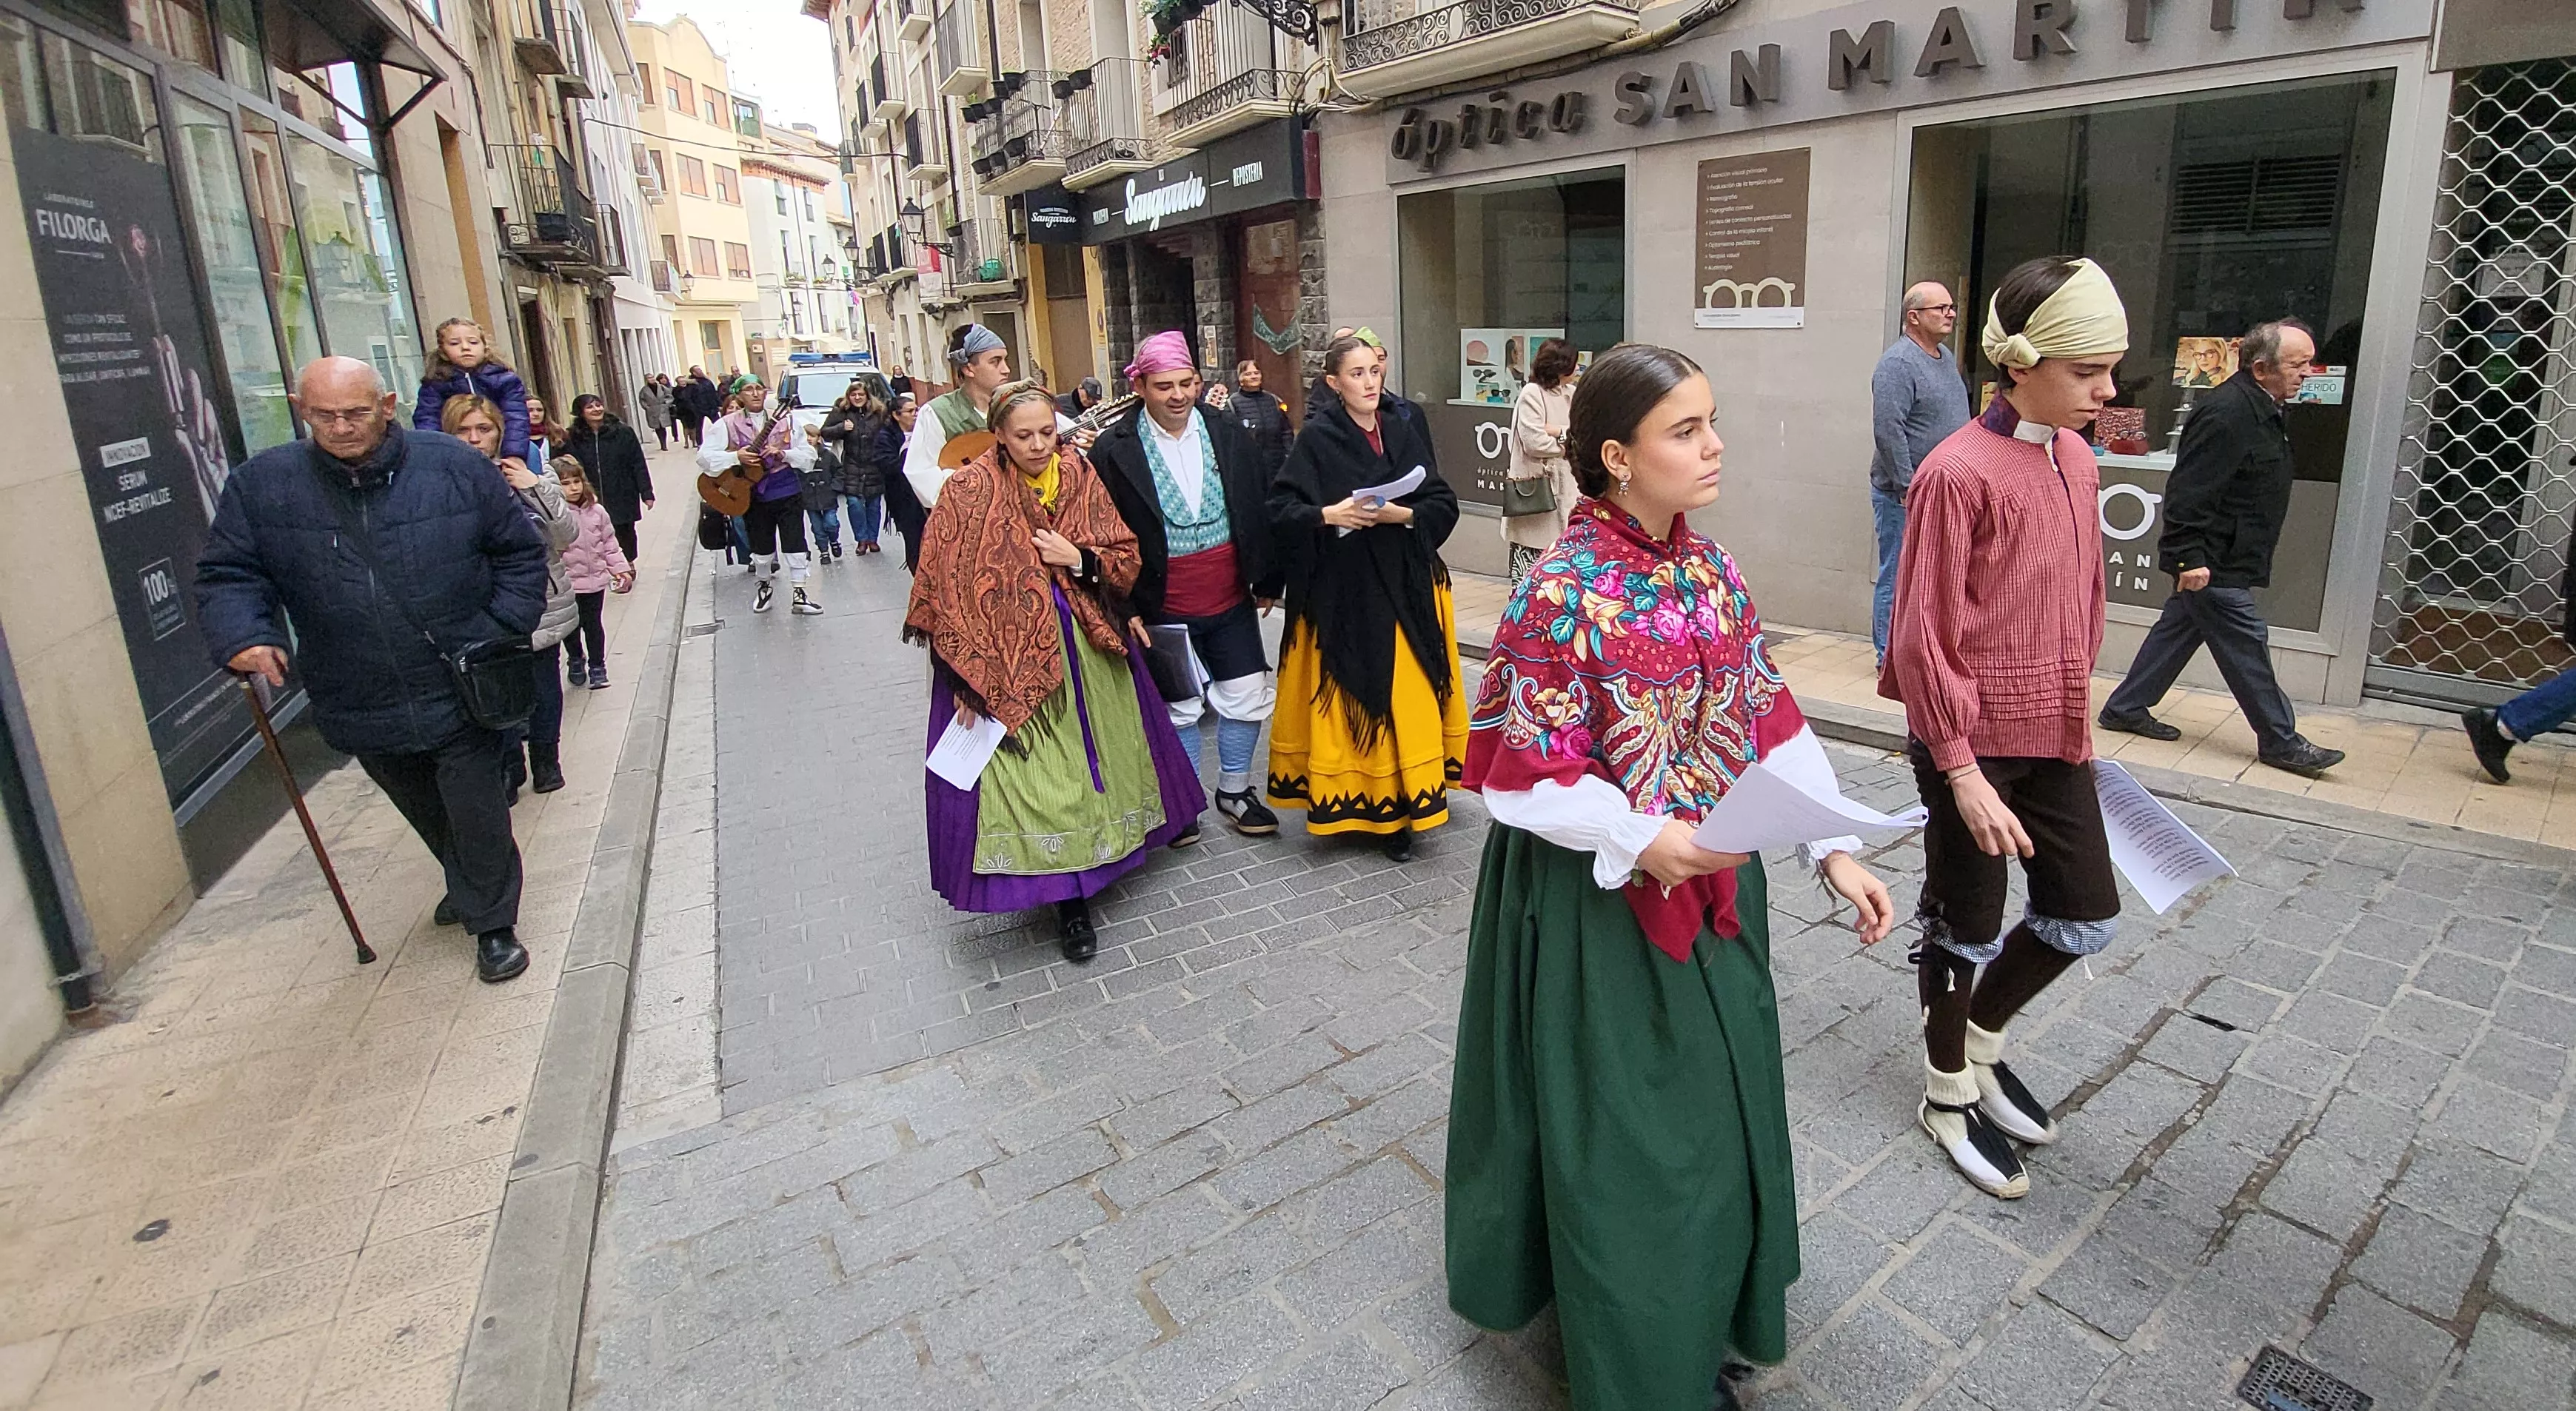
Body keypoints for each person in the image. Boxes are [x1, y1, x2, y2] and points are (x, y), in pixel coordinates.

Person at [1449, 343, 1896, 1411]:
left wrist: (1828, 844)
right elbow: (1516, 769)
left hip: (1716, 885)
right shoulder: (1557, 590)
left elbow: (1764, 716)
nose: (1713, 444)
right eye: (1684, 429)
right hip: (1595, 902)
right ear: (1615, 456)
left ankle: (1710, 1308)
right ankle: (1643, 1357)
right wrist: (1633, 836)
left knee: (1719, 1112)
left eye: (1710, 421)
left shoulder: (1712, 569)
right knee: (1630, 1139)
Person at [1883, 255, 2134, 1201]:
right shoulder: (1954, 473)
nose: (2106, 391)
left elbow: (2083, 601)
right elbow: (1919, 636)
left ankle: (1978, 1041)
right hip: (1970, 746)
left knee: (2083, 913)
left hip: (2054, 732)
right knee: (1964, 919)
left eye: (2112, 368)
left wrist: (2078, 709)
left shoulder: (2077, 454)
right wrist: (1959, 770)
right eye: (2086, 371)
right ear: (2018, 363)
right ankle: (1945, 1093)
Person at [196, 357, 546, 983]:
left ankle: (493, 924)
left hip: (460, 676)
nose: (341, 427)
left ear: (387, 404)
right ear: (300, 411)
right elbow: (230, 574)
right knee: (422, 803)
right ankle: (468, 880)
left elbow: (519, 554)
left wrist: (499, 630)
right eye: (324, 415)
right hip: (354, 686)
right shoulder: (262, 485)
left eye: (356, 412)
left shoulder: (453, 466)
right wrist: (246, 636)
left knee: (476, 808)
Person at [903, 381, 1204, 961]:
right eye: (1023, 436)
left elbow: (1123, 554)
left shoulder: (1079, 475)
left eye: (1047, 431)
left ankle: (1107, 855)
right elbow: (939, 585)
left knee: (1102, 763)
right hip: (1006, 664)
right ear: (996, 435)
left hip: (1088, 649)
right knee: (1044, 780)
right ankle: (1069, 900)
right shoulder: (965, 491)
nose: (1040, 445)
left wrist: (1079, 559)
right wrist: (963, 678)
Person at [2098, 320, 2344, 777]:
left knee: (2180, 628)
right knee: (2246, 644)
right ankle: (2281, 741)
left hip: (2229, 553)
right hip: (2215, 558)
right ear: (2261, 367)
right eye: (2299, 364)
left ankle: (2126, 708)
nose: (2308, 373)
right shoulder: (2227, 413)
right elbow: (2190, 492)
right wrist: (2190, 557)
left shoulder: (2265, 407)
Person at [1268, 335, 1466, 862]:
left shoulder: (1404, 425)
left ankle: (1408, 806)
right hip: (1345, 589)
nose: (1369, 382)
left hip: (1404, 580)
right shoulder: (1316, 438)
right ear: (1334, 384)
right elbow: (1281, 511)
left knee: (1408, 693)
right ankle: (1366, 804)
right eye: (1355, 374)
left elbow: (1440, 499)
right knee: (1360, 695)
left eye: (1373, 371)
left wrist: (1400, 515)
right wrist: (1328, 515)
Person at [1090, 331, 1285, 842]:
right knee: (1179, 707)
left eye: (1186, 383)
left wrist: (1267, 578)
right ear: (1140, 387)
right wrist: (1124, 604)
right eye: (1163, 386)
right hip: (1161, 601)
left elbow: (1257, 502)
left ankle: (1236, 791)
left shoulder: (1226, 430)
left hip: (1228, 596)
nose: (1177, 395)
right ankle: (1184, 803)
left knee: (1246, 693)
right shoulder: (1115, 449)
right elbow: (1103, 531)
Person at [446, 397, 578, 800]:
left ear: (500, 431)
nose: (474, 439)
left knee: (543, 686)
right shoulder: (442, 479)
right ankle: (508, 765)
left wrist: (533, 487)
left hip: (538, 599)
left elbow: (565, 535)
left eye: (483, 429)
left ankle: (546, 758)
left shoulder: (535, 467)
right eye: (463, 431)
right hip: (478, 604)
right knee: (491, 687)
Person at [1869, 282, 1973, 660]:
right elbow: (1888, 429)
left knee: (1933, 576)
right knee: (1897, 575)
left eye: (1951, 307)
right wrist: (1908, 485)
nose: (1950, 313)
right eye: (1940, 308)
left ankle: (1922, 650)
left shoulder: (1944, 357)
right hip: (1905, 494)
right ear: (1913, 317)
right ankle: (1887, 656)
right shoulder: (1898, 364)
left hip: (1944, 489)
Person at [699, 378, 822, 614]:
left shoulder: (787, 420)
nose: (755, 394)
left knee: (795, 542)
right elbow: (704, 458)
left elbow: (808, 455)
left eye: (759, 389)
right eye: (748, 390)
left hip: (786, 489)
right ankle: (764, 588)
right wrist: (736, 458)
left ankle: (800, 594)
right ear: (738, 396)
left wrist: (784, 454)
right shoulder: (726, 424)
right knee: (761, 547)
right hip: (750, 495)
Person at [906, 324, 1019, 507]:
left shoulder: (1020, 405)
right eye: (995, 361)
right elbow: (923, 477)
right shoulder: (938, 413)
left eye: (1005, 360)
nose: (1006, 369)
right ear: (968, 369)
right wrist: (977, 482)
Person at [1501, 338, 1579, 583]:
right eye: (1573, 364)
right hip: (1537, 494)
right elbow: (1535, 443)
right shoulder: (1531, 394)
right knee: (1531, 577)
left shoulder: (1572, 394)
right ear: (1559, 366)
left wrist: (1557, 431)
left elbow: (1583, 434)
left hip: (1569, 492)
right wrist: (1569, 441)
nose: (1577, 370)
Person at [553, 457, 634, 689]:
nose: (574, 487)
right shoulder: (556, 516)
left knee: (593, 625)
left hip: (595, 581)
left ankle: (598, 667)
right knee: (571, 627)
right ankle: (576, 659)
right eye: (566, 483)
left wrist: (620, 569)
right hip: (567, 583)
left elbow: (609, 542)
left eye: (576, 481)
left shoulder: (597, 511)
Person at [413, 317, 531, 463]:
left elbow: (516, 416)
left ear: (485, 347)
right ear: (443, 351)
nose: (465, 347)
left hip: (502, 447)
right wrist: (439, 454)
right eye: (455, 343)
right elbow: (427, 420)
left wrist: (514, 454)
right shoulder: (436, 383)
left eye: (473, 342)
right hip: (455, 452)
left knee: (531, 455)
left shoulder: (504, 379)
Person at [566, 393, 655, 564]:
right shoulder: (573, 437)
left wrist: (647, 492)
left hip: (622, 490)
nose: (596, 409)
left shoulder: (623, 432)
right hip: (591, 492)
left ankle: (627, 563)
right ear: (580, 412)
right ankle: (603, 565)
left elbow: (637, 463)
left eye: (598, 405)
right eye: (590, 407)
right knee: (595, 531)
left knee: (624, 530)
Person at [822, 380, 890, 555]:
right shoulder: (841, 412)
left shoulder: (878, 412)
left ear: (867, 396)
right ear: (848, 397)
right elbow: (825, 433)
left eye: (861, 394)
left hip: (874, 464)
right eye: (854, 395)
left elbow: (889, 431)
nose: (857, 398)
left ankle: (872, 539)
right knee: (854, 504)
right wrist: (841, 428)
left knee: (874, 505)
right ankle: (861, 539)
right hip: (852, 465)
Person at [881, 394, 926, 572]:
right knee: (914, 540)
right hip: (903, 499)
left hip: (925, 494)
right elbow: (887, 466)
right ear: (896, 415)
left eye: (917, 410)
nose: (915, 414)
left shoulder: (924, 430)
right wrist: (906, 456)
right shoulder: (885, 437)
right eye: (910, 411)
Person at [1226, 360, 1291, 479]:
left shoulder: (1273, 400)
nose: (1253, 377)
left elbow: (1286, 430)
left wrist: (1288, 453)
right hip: (1250, 467)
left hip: (1277, 464)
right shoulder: (1232, 404)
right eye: (1248, 374)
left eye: (1256, 373)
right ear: (1240, 378)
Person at [523, 393, 563, 480]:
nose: (536, 414)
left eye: (540, 410)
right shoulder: (514, 437)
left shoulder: (558, 434)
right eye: (530, 410)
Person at [675, 366, 715, 448]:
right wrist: (694, 408)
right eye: (697, 370)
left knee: (718, 424)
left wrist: (718, 405)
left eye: (700, 369)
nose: (700, 371)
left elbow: (714, 393)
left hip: (711, 408)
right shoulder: (691, 384)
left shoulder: (707, 381)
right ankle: (700, 444)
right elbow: (688, 398)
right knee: (698, 428)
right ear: (693, 373)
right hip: (698, 409)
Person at [639, 374, 675, 451]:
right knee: (657, 427)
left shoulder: (661, 387)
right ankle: (661, 443)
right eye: (649, 378)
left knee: (663, 427)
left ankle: (664, 444)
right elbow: (642, 400)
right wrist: (647, 407)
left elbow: (669, 396)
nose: (651, 379)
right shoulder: (644, 390)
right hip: (653, 410)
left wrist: (666, 404)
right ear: (646, 380)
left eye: (652, 377)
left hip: (662, 409)